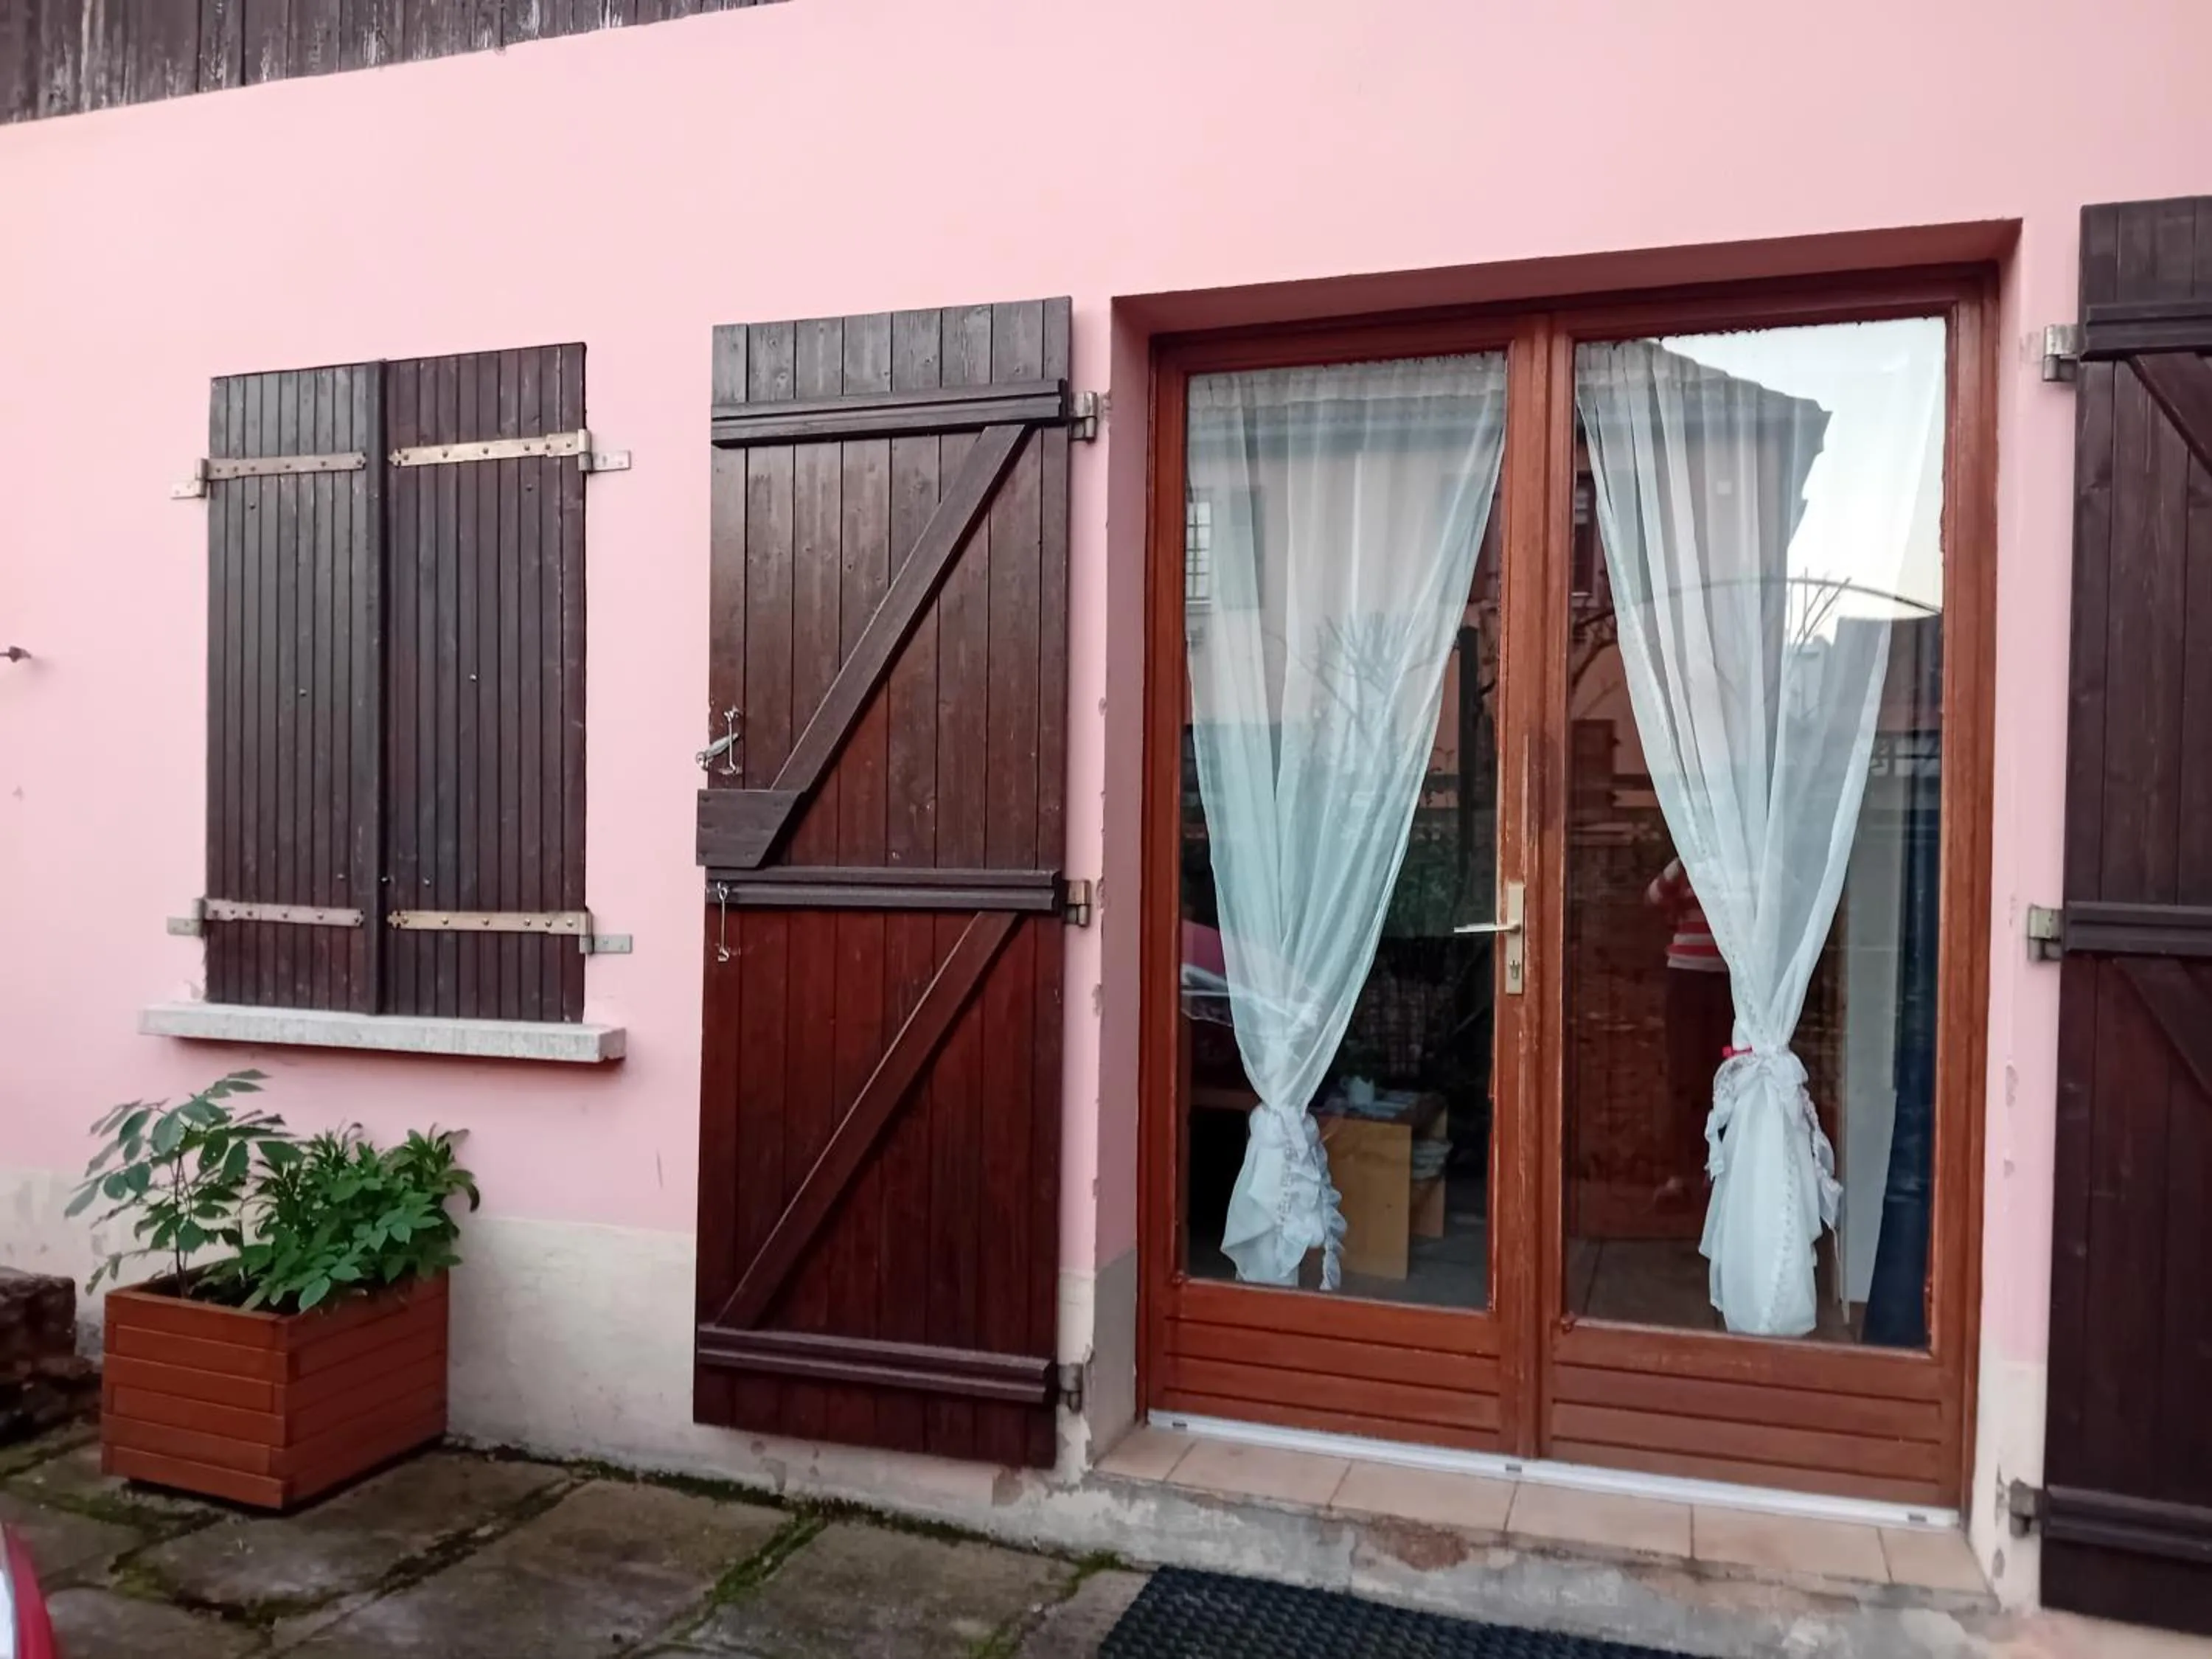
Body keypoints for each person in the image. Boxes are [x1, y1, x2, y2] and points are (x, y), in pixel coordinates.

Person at [1644, 856, 1731, 1207]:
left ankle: (1717, 1172)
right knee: (1685, 1075)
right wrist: (1683, 861)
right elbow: (1652, 897)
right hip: (1686, 978)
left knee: (1726, 1077)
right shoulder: (1689, 862)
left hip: (1728, 980)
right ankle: (1679, 1175)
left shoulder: (1739, 861)